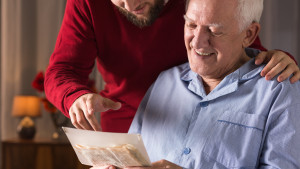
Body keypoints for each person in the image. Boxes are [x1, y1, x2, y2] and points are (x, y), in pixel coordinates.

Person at [85, 0, 300, 169]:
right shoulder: (164, 82)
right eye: (191, 25)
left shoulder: (280, 91)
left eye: (214, 30)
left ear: (249, 34)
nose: (197, 42)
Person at [44, 0, 300, 133]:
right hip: (127, 128)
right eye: (119, 1)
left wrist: (279, 59)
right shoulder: (87, 3)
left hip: (203, 124)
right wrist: (75, 97)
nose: (131, 7)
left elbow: (241, 50)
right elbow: (62, 70)